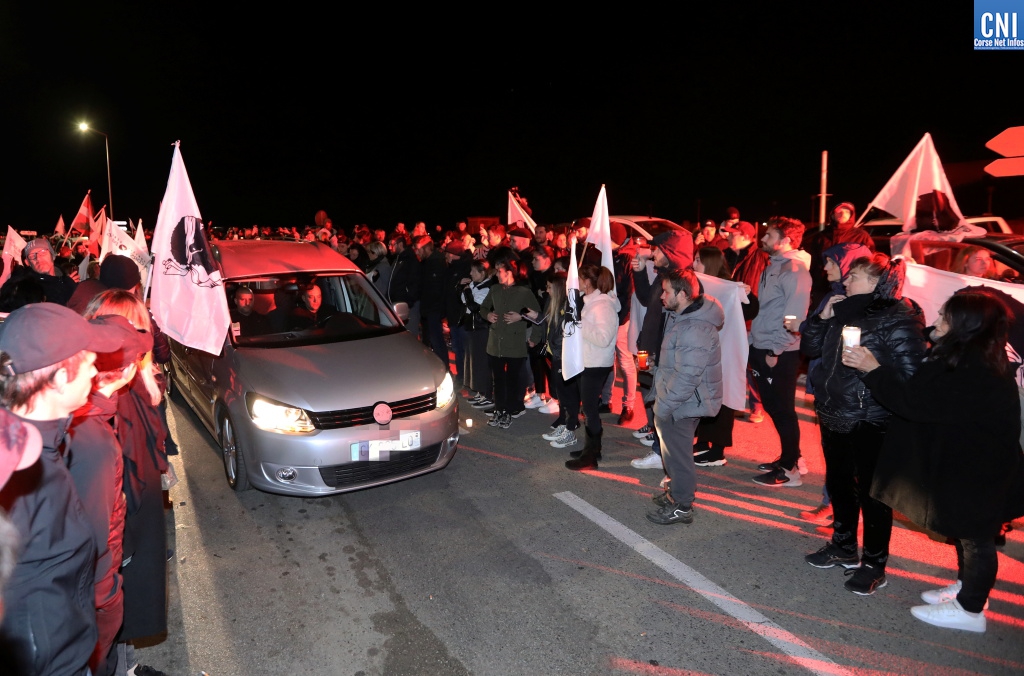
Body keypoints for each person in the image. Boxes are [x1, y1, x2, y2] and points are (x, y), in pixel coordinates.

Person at [844, 291, 1024, 632]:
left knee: (977, 539)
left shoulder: (974, 367)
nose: (937, 320)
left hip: (981, 469)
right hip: (974, 464)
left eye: (944, 317)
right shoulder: (970, 353)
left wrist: (874, 369)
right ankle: (967, 589)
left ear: (965, 325)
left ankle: (971, 610)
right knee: (968, 535)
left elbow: (915, 403)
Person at [0, 303, 125, 676]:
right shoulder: (19, 473)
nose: (96, 372)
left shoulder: (44, 444)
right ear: (56, 379)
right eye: (88, 364)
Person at [799, 254, 927, 595]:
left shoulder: (898, 317)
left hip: (870, 417)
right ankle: (843, 546)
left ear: (875, 282)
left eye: (853, 276)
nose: (845, 281)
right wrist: (821, 318)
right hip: (833, 411)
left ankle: (874, 564)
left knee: (874, 495)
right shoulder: (842, 309)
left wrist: (873, 367)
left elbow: (912, 376)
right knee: (839, 484)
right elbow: (809, 348)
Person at [83, 291, 169, 675]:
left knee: (126, 617)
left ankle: (128, 666)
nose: (140, 340)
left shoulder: (129, 385)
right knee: (113, 618)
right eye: (132, 330)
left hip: (136, 523)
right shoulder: (97, 406)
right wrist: (123, 548)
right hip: (120, 537)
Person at [67, 315, 153, 675]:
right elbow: (95, 533)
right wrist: (108, 599)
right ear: (128, 370)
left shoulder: (88, 418)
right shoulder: (94, 441)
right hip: (94, 594)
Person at [647, 268, 724, 524]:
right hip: (679, 399)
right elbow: (679, 364)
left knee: (679, 456)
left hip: (683, 403)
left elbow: (688, 376)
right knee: (672, 453)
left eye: (666, 291)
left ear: (682, 294)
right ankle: (676, 494)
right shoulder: (682, 318)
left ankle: (682, 505)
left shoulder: (694, 327)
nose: (662, 296)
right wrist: (657, 367)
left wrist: (664, 406)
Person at [749, 217, 812, 487]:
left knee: (782, 408)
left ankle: (790, 469)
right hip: (763, 345)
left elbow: (795, 317)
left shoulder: (795, 270)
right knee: (773, 406)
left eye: (769, 235)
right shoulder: (774, 265)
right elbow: (768, 310)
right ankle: (791, 457)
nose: (763, 239)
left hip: (779, 352)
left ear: (785, 240)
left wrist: (775, 350)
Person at [629, 232, 694, 468]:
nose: (653, 253)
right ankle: (656, 440)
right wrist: (639, 273)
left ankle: (661, 453)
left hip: (663, 352)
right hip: (650, 346)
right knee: (651, 393)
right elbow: (648, 300)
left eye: (657, 249)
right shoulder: (664, 275)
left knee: (663, 401)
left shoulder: (681, 281)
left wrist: (660, 352)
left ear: (671, 252)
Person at [564, 264, 620, 470]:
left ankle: (590, 457)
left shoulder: (603, 306)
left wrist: (580, 323)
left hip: (596, 364)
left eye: (579, 278)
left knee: (589, 409)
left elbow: (603, 339)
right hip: (587, 361)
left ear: (587, 282)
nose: (576, 282)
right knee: (588, 409)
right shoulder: (590, 302)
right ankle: (592, 449)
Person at [479, 259, 540, 428]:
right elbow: (483, 308)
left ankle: (509, 410)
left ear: (509, 272)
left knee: (513, 380)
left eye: (499, 271)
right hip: (495, 343)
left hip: (515, 344)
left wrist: (522, 318)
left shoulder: (524, 292)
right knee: (498, 380)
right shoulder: (495, 289)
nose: (496, 274)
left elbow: (538, 315)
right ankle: (499, 410)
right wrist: (488, 315)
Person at [691, 247, 735, 467]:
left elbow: (750, 308)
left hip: (723, 352)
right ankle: (702, 441)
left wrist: (744, 294)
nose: (694, 264)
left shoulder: (729, 286)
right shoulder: (697, 284)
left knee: (722, 399)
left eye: (698, 260)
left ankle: (717, 450)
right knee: (702, 395)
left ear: (710, 263)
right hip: (704, 350)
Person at [802, 202, 875, 312]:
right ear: (832, 215)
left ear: (851, 215)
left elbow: (869, 262)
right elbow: (815, 264)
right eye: (839, 211)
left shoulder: (861, 236)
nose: (842, 214)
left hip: (850, 285)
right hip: (823, 287)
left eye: (846, 212)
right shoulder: (822, 236)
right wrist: (812, 288)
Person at [0, 238, 78, 306]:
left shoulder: (67, 280)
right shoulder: (23, 286)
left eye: (43, 252)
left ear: (52, 255)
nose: (38, 258)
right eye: (32, 256)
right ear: (27, 262)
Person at [462, 261, 496, 410]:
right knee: (474, 361)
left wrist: (467, 292)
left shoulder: (486, 288)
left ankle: (487, 394)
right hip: (472, 328)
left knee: (483, 362)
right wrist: (465, 291)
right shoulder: (474, 285)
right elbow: (463, 300)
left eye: (474, 271)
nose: (470, 274)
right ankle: (480, 391)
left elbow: (474, 307)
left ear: (482, 273)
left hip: (482, 328)